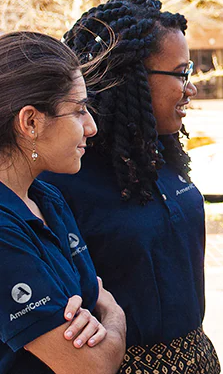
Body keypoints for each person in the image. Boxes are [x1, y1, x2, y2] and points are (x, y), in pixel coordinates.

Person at [40, 0, 220, 374]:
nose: (192, 88)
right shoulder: (63, 179)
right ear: (130, 78)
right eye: (181, 73)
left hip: (199, 357)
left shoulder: (164, 155)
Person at [0, 32, 126, 374]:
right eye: (79, 111)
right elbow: (92, 366)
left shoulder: (47, 198)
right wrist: (114, 313)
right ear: (30, 122)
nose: (91, 127)